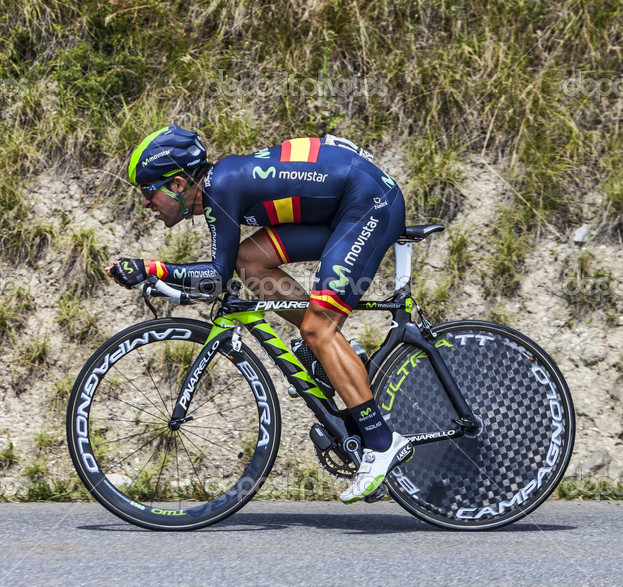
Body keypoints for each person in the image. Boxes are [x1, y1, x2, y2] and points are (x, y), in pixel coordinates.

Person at [105, 125, 412, 503]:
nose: (146, 204)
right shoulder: (222, 187)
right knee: (249, 259)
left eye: (148, 192)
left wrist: (153, 268)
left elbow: (215, 279)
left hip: (370, 204)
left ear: (180, 183)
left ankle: (382, 442)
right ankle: (336, 351)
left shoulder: (223, 187)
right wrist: (164, 278)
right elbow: (224, 270)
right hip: (343, 207)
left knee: (319, 330)